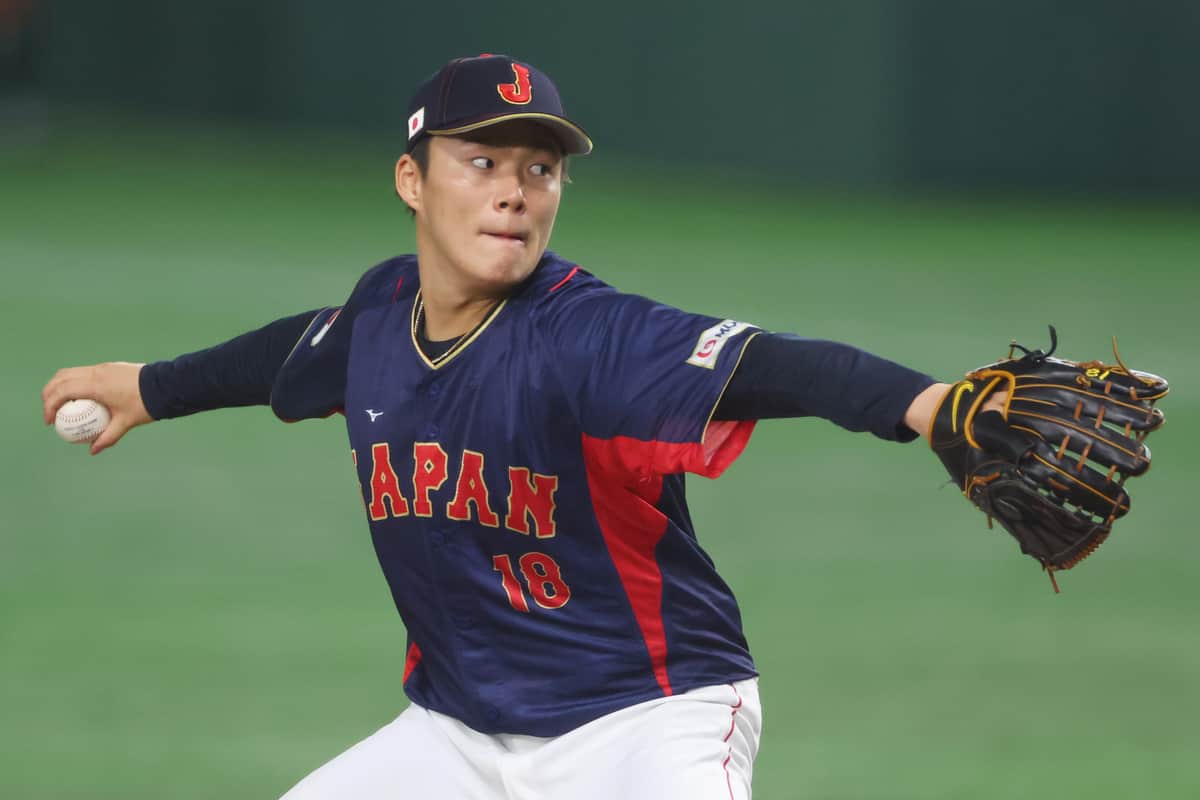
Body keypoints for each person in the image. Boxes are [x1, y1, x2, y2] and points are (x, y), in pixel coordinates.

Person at [41, 54, 980, 799]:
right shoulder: (382, 313)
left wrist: (929, 407)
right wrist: (151, 386)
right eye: (482, 162)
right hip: (456, 734)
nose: (515, 191)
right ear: (412, 180)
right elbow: (297, 351)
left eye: (541, 168)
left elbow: (775, 365)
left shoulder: (590, 334)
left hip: (643, 721)